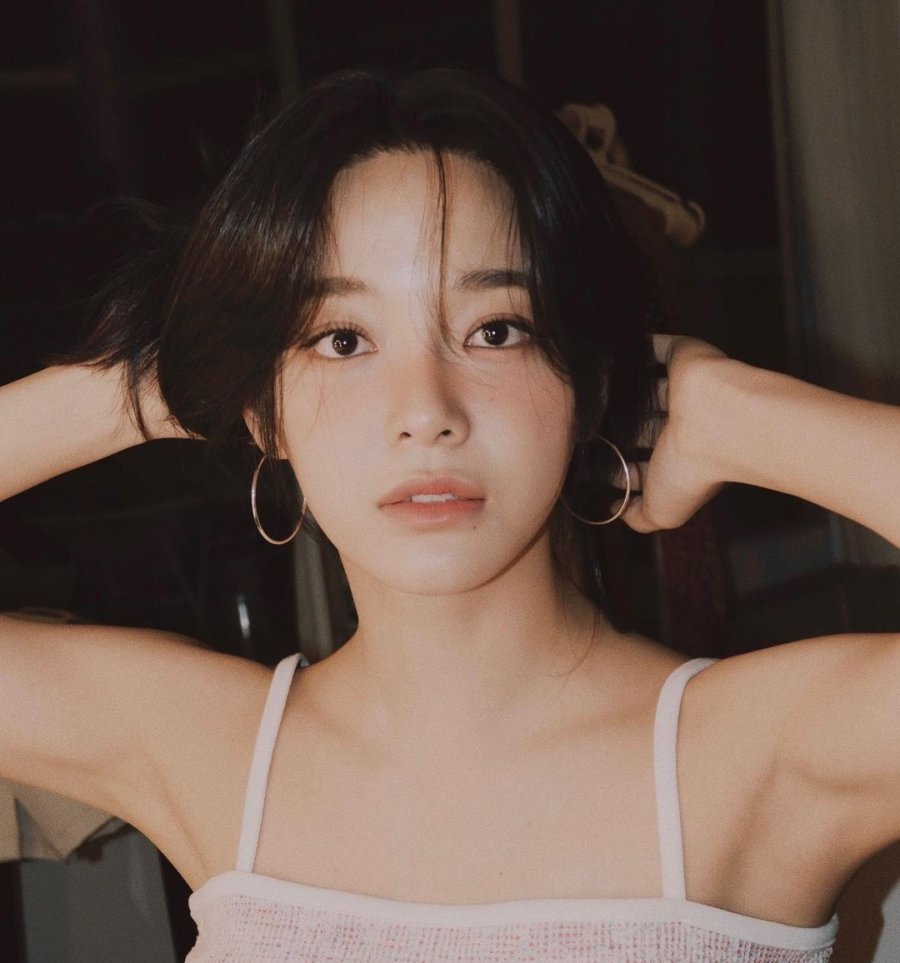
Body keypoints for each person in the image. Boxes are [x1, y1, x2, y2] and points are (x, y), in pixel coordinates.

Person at [1, 64, 898, 963]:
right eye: (343, 339)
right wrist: (133, 388)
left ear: (588, 384)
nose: (425, 410)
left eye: (495, 330)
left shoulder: (762, 759)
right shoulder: (210, 750)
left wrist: (741, 414)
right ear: (263, 411)